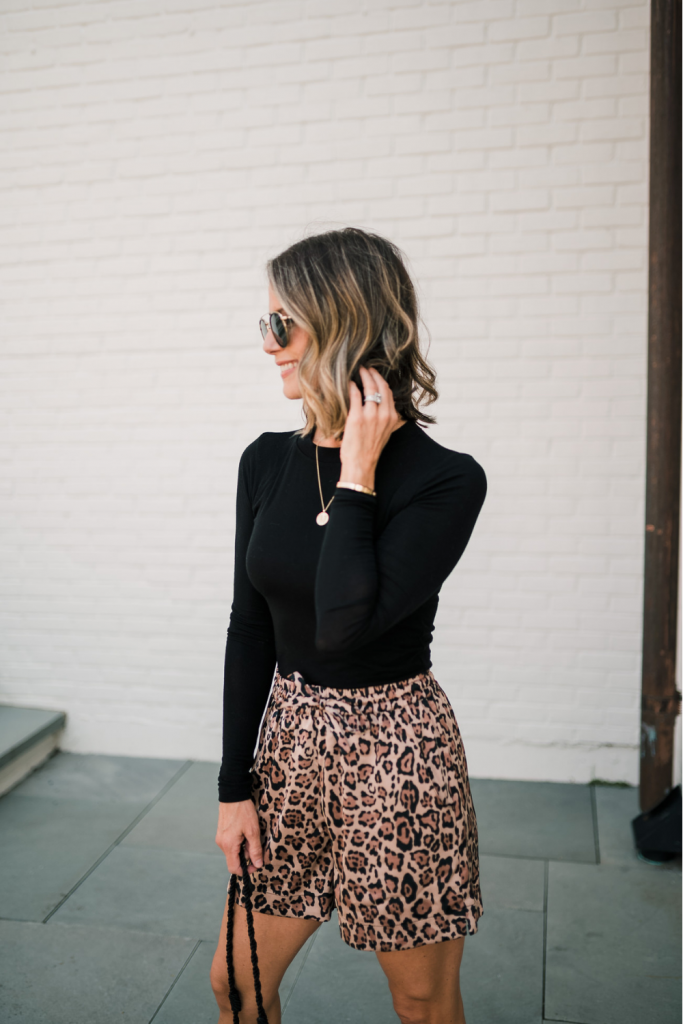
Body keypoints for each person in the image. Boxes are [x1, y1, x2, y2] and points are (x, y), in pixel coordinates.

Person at [210, 228, 486, 1024]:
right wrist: (235, 787)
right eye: (263, 326)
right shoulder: (265, 461)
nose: (267, 347)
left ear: (343, 323)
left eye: (280, 325)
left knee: (422, 1002)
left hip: (397, 755)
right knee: (236, 981)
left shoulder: (443, 481)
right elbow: (248, 626)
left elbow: (341, 627)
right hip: (289, 745)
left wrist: (357, 475)